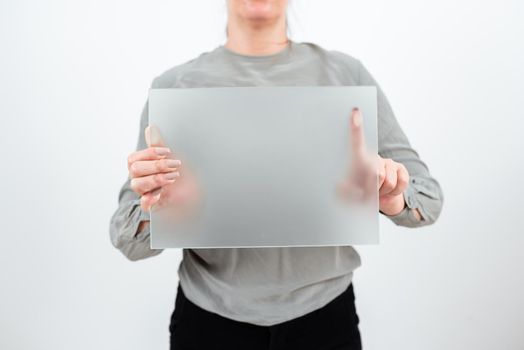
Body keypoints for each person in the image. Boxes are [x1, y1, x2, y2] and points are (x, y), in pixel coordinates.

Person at [109, 1, 444, 349]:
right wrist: (160, 206)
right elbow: (126, 238)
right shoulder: (174, 86)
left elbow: (428, 199)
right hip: (208, 322)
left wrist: (390, 197)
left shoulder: (345, 75)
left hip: (325, 320)